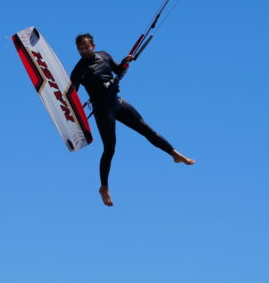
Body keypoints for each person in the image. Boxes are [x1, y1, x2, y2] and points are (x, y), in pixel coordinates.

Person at [70, 33, 194, 206]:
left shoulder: (104, 55)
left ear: (93, 45)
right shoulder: (79, 69)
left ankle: (174, 154)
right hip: (102, 110)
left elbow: (118, 70)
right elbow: (72, 92)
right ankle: (104, 187)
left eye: (86, 47)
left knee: (146, 128)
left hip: (116, 102)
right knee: (110, 148)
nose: (83, 50)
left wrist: (125, 61)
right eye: (80, 48)